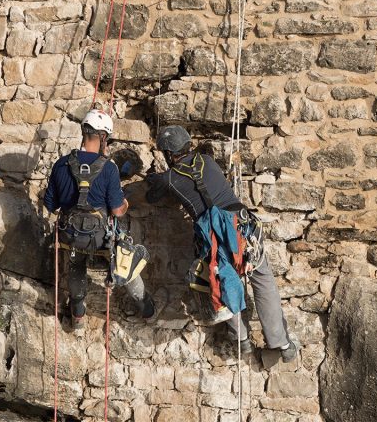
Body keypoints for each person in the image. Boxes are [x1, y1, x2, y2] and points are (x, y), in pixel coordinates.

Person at [146, 125, 299, 362]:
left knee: (223, 280)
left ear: (168, 153)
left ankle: (242, 339)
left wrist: (154, 178)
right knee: (262, 279)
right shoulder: (207, 160)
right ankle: (281, 343)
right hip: (241, 227)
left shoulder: (170, 179)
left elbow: (151, 196)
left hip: (214, 238)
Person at [43, 109, 156, 332]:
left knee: (76, 263)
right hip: (101, 239)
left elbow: (50, 204)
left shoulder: (61, 165)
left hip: (71, 236)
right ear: (104, 137)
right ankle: (147, 309)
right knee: (126, 262)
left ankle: (78, 317)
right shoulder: (109, 168)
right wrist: (124, 205)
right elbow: (117, 210)